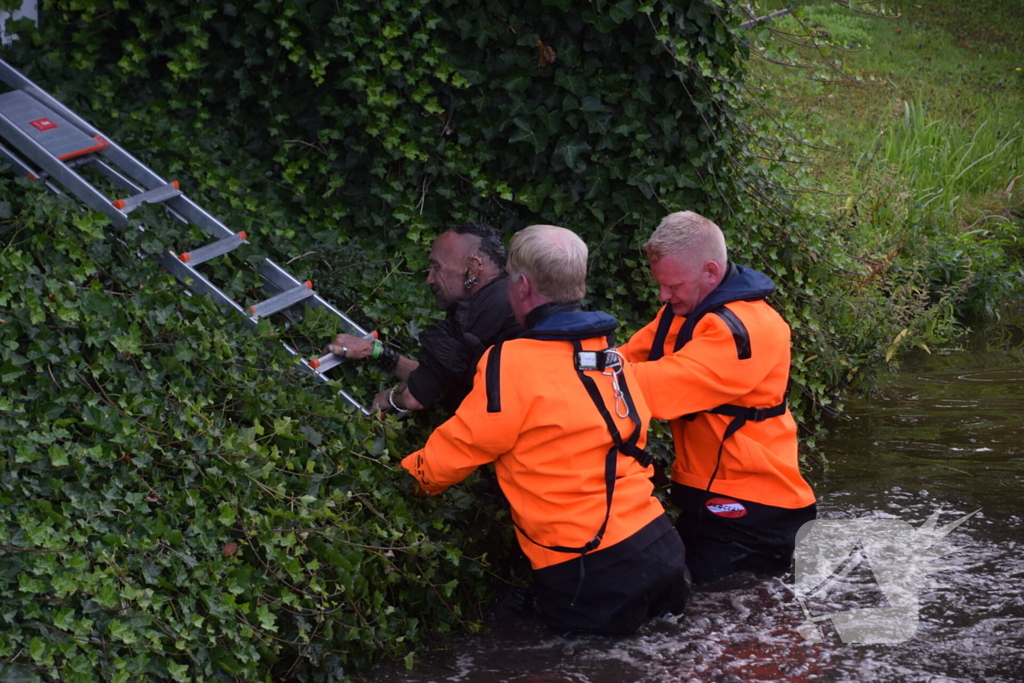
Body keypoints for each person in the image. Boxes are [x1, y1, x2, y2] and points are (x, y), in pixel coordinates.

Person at [401, 225, 690, 635]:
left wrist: (410, 480)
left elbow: (464, 445)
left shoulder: (510, 361)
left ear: (521, 286)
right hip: (660, 545)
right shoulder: (609, 356)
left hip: (589, 566)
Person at [618, 211, 817, 586]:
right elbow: (626, 359)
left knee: (734, 628)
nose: (663, 296)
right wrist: (567, 366)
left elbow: (657, 390)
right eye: (661, 285)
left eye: (672, 286)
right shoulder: (682, 312)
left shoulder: (746, 329)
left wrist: (575, 388)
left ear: (711, 271)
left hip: (755, 508)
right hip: (708, 496)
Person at [329, 222, 519, 414]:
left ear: (473, 267)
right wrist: (376, 351)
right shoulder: (504, 296)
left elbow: (414, 398)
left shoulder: (477, 313)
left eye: (437, 267)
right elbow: (434, 376)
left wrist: (389, 398)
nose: (430, 278)